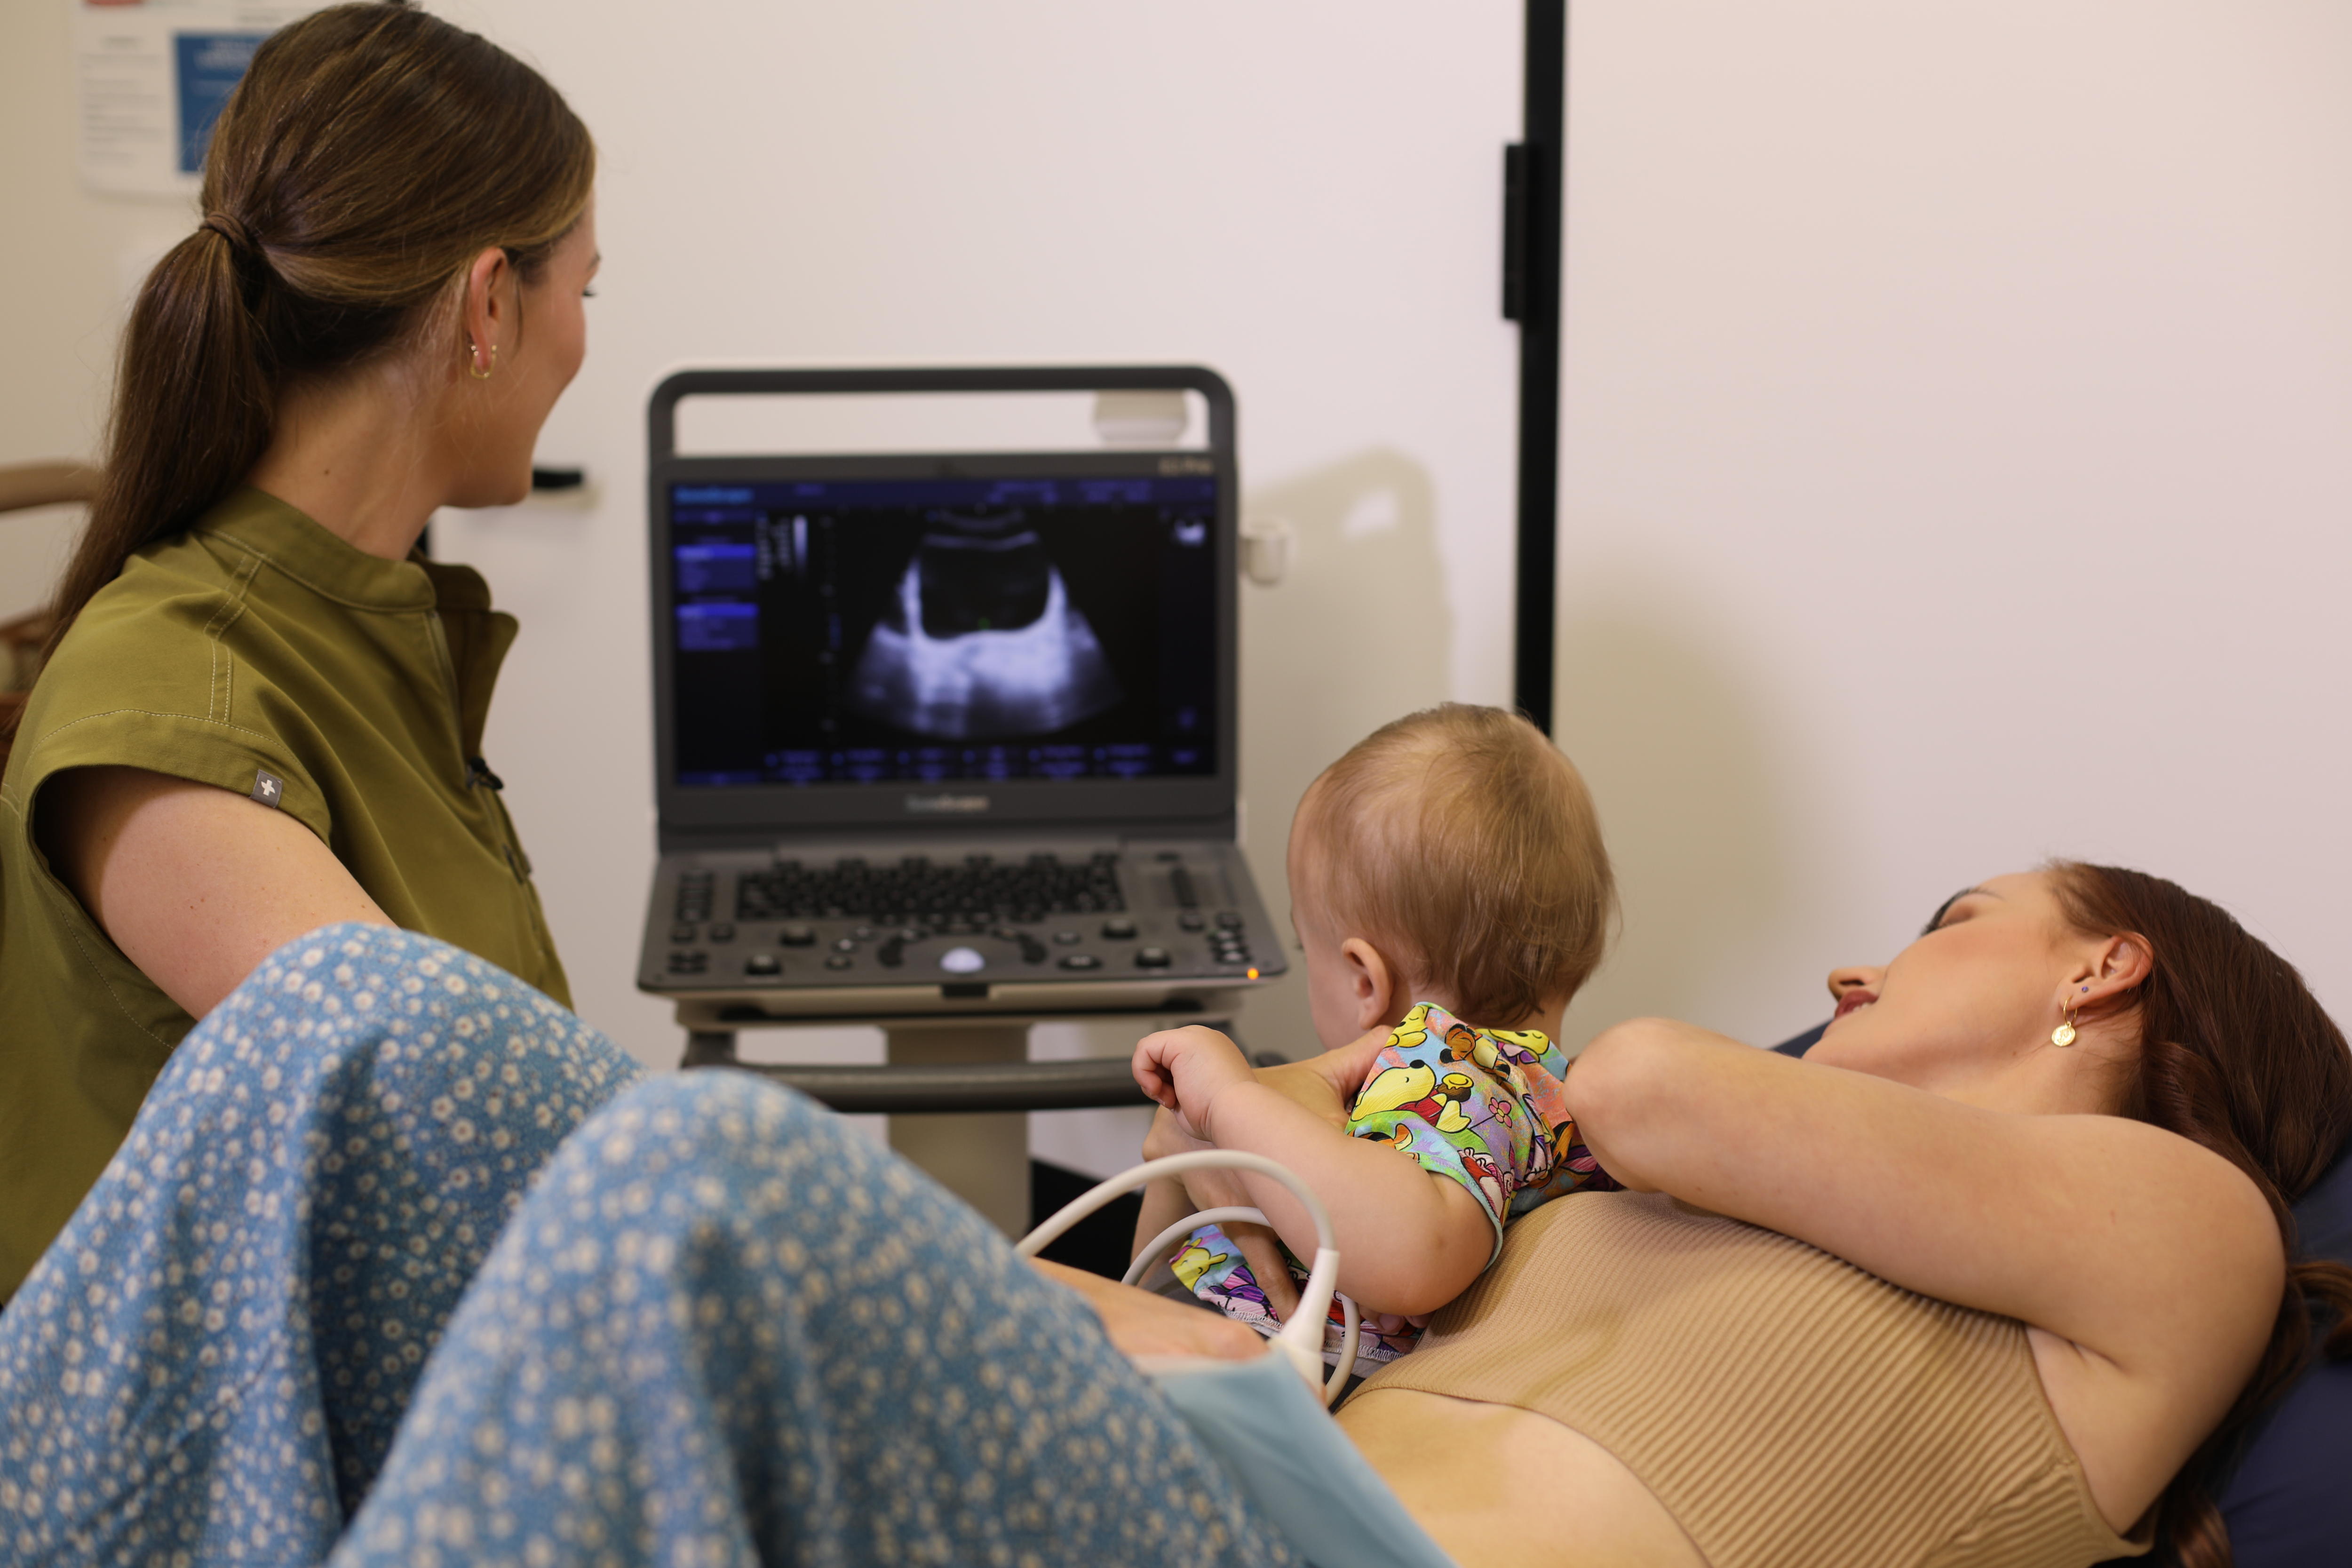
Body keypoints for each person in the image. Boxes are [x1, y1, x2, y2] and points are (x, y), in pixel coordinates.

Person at [5, 863, 2346, 1568]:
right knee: (371, 1022)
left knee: (709, 1176)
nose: (1853, 968)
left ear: (2100, 969)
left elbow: (1640, 1072)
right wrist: (995, 1297)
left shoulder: (2190, 1231)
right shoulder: (1662, 1194)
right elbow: (1272, 1362)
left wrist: (1474, 1104)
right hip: (1249, 1480)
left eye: (1941, 919)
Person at [0, 0, 599, 1297]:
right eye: (584, 290)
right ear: (491, 302)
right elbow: (479, 1142)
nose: (584, 340)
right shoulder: (173, 692)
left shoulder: (364, 632)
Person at [1130, 705, 1621, 1367]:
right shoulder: (1549, 1091)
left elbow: (1412, 1258)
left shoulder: (1456, 1070)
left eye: (1307, 951)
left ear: (1366, 980)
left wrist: (1227, 1100)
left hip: (1264, 1366)